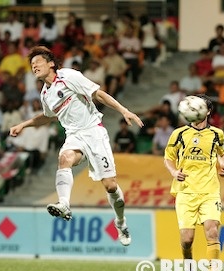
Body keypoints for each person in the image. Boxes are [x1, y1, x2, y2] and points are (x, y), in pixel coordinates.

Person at [10, 46, 144, 246]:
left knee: (111, 186)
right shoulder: (46, 94)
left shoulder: (69, 76)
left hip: (94, 132)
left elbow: (98, 94)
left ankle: (120, 221)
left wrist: (124, 111)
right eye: (32, 64)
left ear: (51, 64)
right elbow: (48, 117)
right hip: (74, 136)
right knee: (64, 159)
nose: (34, 66)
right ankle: (64, 204)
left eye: (38, 62)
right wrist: (24, 125)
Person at [163, 95, 224, 271]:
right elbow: (168, 158)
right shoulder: (179, 134)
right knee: (187, 239)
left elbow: (222, 153)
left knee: (212, 231)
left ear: (207, 111)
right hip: (185, 191)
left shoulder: (217, 134)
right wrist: (174, 172)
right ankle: (189, 269)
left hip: (209, 190)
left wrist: (222, 165)